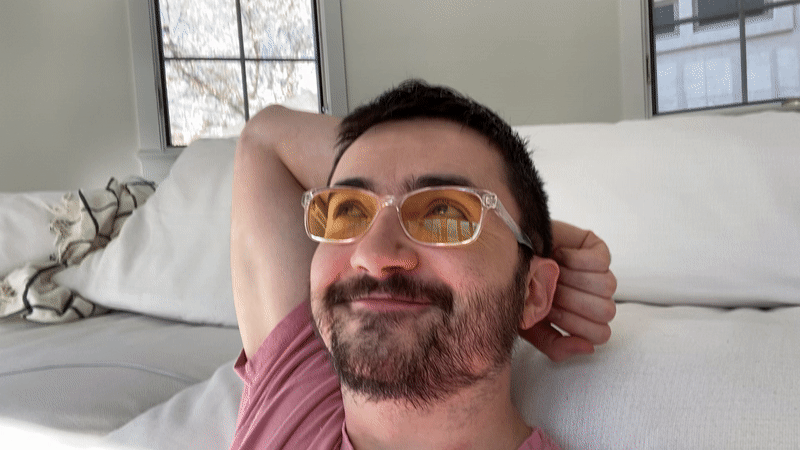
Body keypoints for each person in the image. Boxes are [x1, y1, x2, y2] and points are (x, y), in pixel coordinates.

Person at [229, 80, 617, 449]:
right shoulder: (293, 389)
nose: (373, 256)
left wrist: (521, 246)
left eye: (444, 212)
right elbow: (264, 137)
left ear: (533, 292)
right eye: (348, 210)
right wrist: (526, 238)